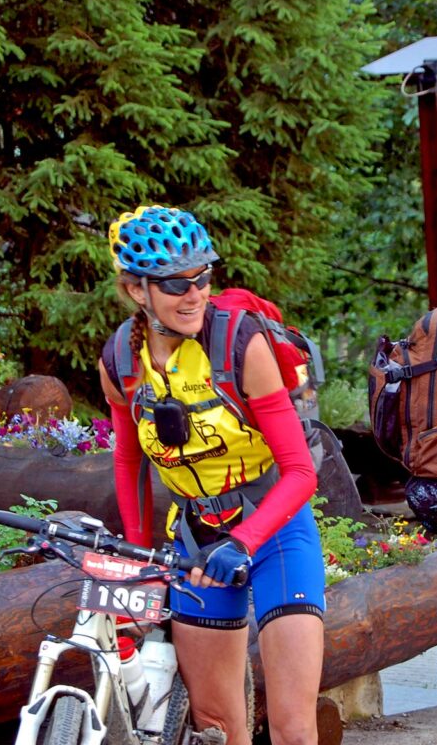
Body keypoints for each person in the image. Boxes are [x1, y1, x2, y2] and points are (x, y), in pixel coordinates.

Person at [98, 205, 325, 745]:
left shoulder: (239, 344)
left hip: (274, 531)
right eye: (177, 283)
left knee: (293, 727)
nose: (195, 294)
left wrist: (245, 541)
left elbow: (299, 472)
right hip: (196, 539)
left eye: (202, 278)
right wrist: (137, 557)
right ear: (137, 291)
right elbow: (129, 461)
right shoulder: (122, 363)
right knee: (218, 728)